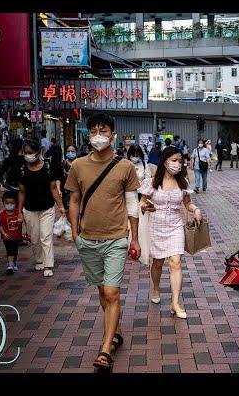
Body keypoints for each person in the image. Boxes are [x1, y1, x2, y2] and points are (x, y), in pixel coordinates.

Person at [66, 113, 142, 372]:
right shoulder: (77, 166)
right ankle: (116, 330)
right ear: (88, 134)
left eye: (104, 130)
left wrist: (135, 238)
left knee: (111, 292)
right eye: (95, 130)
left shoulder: (125, 167)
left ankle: (105, 349)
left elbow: (132, 204)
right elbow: (74, 201)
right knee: (102, 292)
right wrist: (75, 233)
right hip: (87, 239)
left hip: (116, 239)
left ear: (113, 135)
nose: (99, 135)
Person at [139, 146, 202, 320]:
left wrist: (195, 209)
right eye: (174, 160)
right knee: (157, 263)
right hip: (156, 226)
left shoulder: (183, 182)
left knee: (176, 262)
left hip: (175, 226)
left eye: (180, 161)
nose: (178, 164)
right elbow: (142, 202)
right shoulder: (152, 182)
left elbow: (187, 203)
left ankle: (175, 302)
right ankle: (156, 288)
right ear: (165, 161)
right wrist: (146, 206)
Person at [17, 139, 64, 278]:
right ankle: (39, 260)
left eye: (30, 152)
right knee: (34, 237)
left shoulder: (48, 167)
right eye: (25, 153)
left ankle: (48, 264)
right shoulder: (22, 169)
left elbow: (54, 188)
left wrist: (60, 206)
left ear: (38, 152)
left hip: (47, 208)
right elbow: (21, 191)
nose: (27, 155)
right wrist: (19, 211)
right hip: (29, 209)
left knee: (45, 236)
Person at [127, 144, 151, 266]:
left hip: (141, 197)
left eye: (137, 154)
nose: (135, 156)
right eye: (133, 154)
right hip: (128, 196)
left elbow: (148, 181)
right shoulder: (125, 164)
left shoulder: (145, 165)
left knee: (141, 222)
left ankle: (140, 244)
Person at [0, 190, 22, 276]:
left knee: (14, 251)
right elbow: (0, 225)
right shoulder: (2, 214)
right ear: (4, 203)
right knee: (9, 251)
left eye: (12, 203)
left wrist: (20, 220)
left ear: (16, 202)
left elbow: (22, 219)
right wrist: (3, 233)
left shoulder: (17, 212)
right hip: (7, 237)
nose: (9, 205)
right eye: (7, 203)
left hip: (16, 236)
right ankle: (10, 265)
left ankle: (14, 263)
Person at [60, 145, 78, 210]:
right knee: (68, 211)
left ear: (76, 152)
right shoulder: (62, 164)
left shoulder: (80, 164)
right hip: (65, 193)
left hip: (78, 192)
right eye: (68, 151)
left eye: (72, 151)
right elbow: (59, 178)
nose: (70, 153)